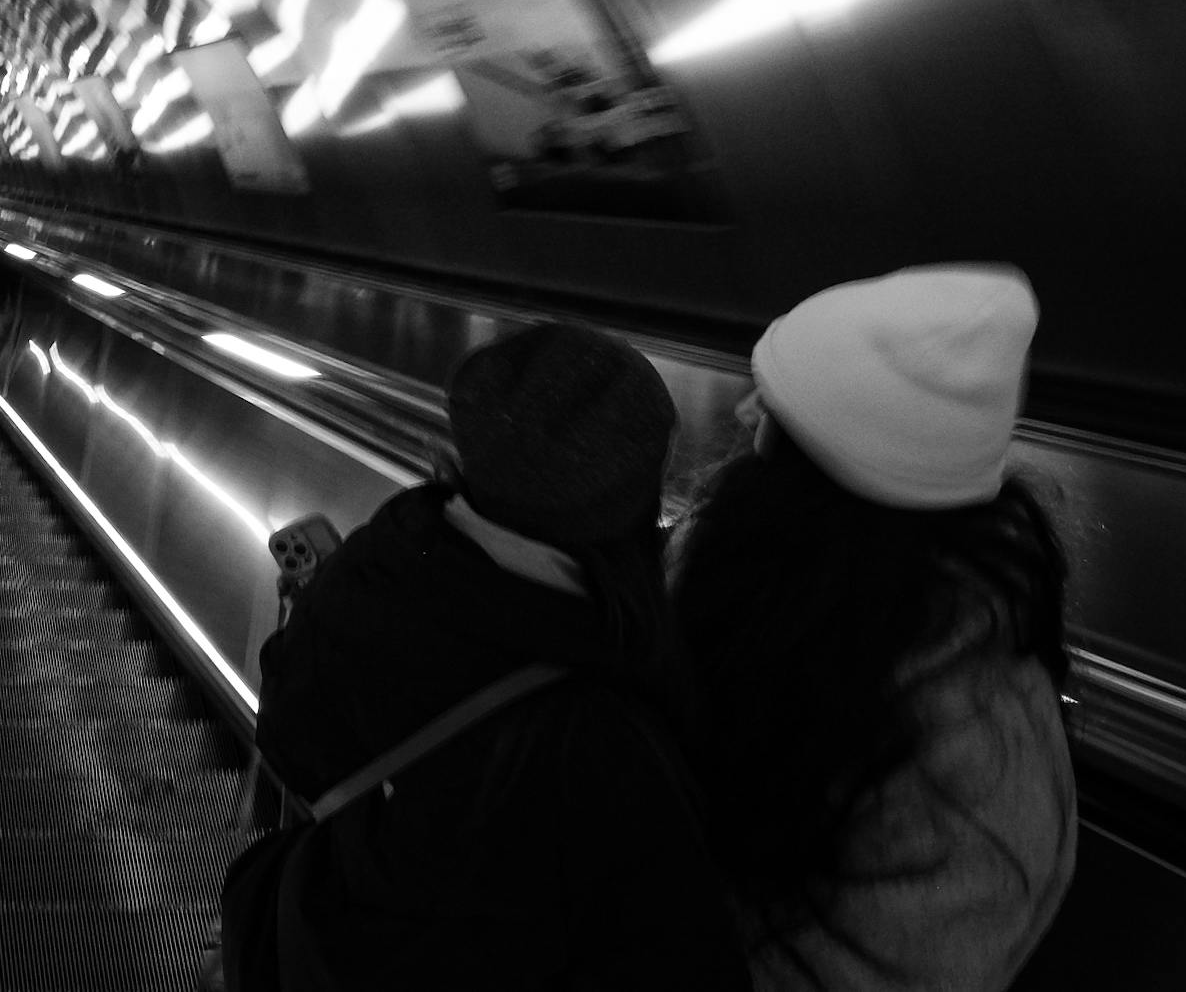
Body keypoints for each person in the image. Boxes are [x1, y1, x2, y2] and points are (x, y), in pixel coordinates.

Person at [241, 322, 747, 990]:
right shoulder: (609, 728)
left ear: (448, 460)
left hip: (345, 941)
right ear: (641, 500)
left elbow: (288, 733)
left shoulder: (381, 558)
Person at [673, 267, 1074, 992]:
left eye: (772, 405)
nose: (739, 411)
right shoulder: (778, 598)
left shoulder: (972, 745)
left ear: (823, 476)